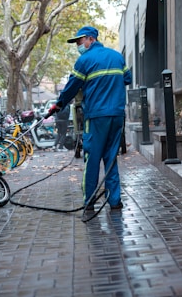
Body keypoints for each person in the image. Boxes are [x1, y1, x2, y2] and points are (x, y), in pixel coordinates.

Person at [48, 26, 132, 211]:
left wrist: (58, 105)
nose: (78, 45)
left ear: (90, 39)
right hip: (117, 115)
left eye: (79, 41)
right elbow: (128, 78)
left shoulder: (84, 60)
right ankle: (115, 200)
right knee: (111, 157)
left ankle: (90, 201)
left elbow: (71, 88)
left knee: (92, 158)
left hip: (96, 116)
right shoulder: (117, 56)